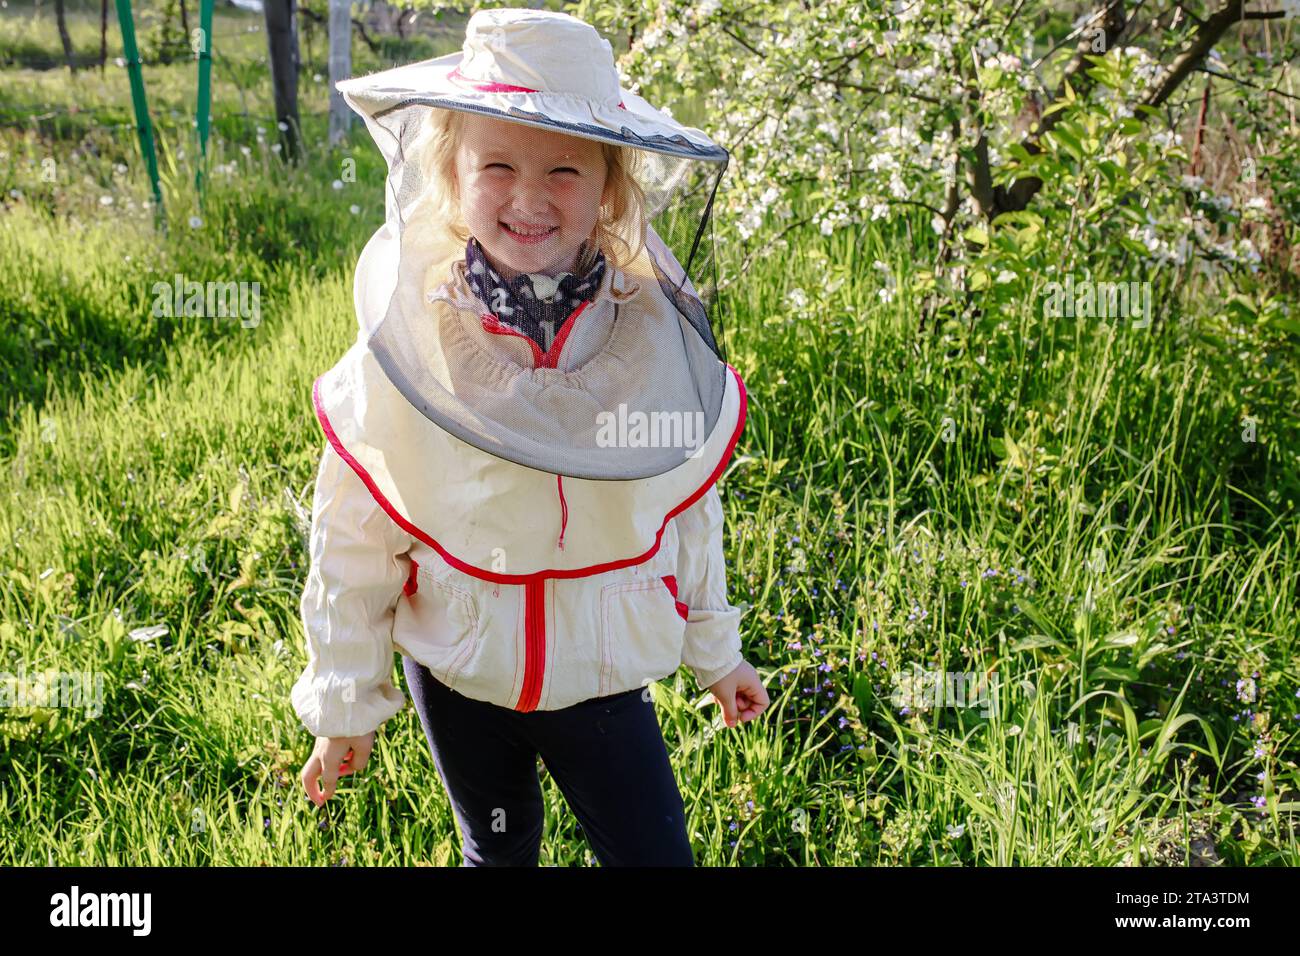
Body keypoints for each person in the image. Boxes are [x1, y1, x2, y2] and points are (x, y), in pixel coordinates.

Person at [293, 7, 769, 866]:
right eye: (497, 166)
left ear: (610, 187)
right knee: (498, 851)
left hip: (603, 676)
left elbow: (686, 510)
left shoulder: (652, 336)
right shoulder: (410, 343)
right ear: (450, 174)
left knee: (655, 857)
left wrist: (717, 654)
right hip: (462, 671)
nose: (528, 196)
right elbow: (355, 535)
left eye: (563, 170)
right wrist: (341, 707)